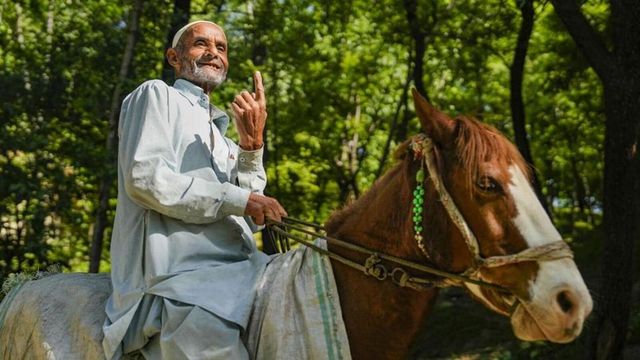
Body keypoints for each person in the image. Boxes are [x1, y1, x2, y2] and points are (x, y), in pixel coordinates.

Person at [102, 20, 287, 359]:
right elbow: (146, 179)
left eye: (222, 47)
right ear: (174, 57)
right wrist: (240, 199)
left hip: (244, 270)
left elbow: (252, 220)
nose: (214, 53)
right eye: (202, 44)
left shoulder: (226, 140)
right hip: (182, 281)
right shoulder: (156, 95)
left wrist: (252, 147)